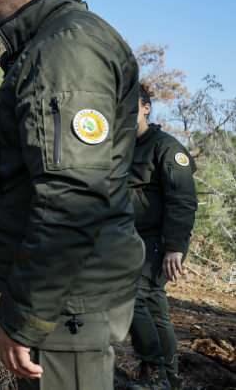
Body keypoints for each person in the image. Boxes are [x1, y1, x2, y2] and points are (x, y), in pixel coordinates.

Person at [0, 0, 144, 389]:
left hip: (70, 297)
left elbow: (71, 195)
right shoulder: (47, 46)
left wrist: (26, 317)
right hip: (63, 294)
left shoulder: (66, 50)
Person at [128, 84, 197, 390]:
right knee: (154, 307)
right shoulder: (119, 147)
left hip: (156, 242)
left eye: (130, 105)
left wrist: (174, 248)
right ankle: (167, 377)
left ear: (146, 107)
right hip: (126, 240)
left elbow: (182, 200)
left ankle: (154, 368)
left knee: (130, 297)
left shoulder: (167, 147)